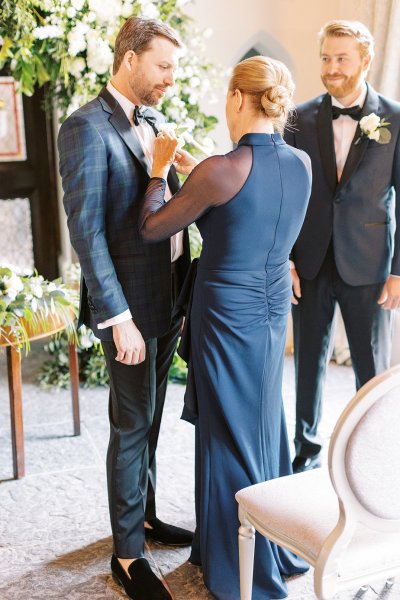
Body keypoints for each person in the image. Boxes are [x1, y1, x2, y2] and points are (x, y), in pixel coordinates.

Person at [139, 56, 312, 600]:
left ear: (239, 98)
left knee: (228, 430)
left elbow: (151, 228)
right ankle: (275, 542)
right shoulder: (301, 162)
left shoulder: (220, 169)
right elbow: (248, 214)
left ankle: (238, 565)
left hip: (225, 314)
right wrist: (198, 174)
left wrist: (157, 172)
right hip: (270, 312)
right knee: (261, 418)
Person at [58, 17, 193, 600]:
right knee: (131, 423)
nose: (169, 79)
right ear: (130, 58)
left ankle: (145, 518)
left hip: (166, 303)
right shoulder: (85, 127)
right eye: (162, 66)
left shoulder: (155, 121)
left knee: (152, 419)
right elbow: (86, 233)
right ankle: (126, 555)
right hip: (130, 314)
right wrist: (118, 319)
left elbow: (159, 206)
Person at [285, 20, 400, 474]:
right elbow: (288, 194)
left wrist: (398, 271)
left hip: (370, 263)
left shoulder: (395, 117)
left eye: (342, 58)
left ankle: (372, 455)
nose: (331, 68)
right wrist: (288, 260)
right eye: (326, 58)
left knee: (371, 370)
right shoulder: (299, 116)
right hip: (310, 261)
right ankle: (306, 451)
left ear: (365, 60)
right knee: (307, 364)